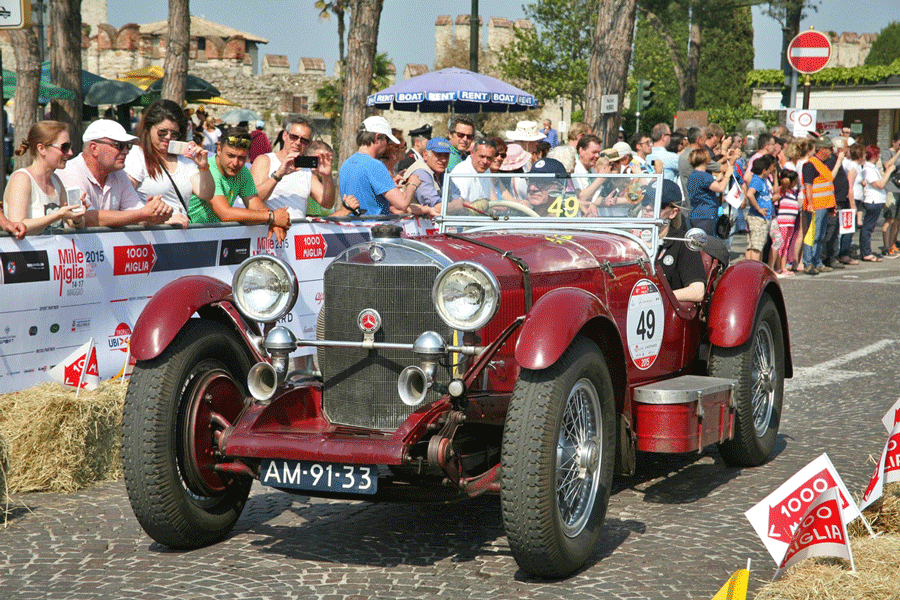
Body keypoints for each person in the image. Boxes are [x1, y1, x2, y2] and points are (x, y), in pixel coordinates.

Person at [59, 119, 173, 227]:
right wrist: (144, 214)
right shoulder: (70, 172)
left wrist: (157, 213)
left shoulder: (119, 174)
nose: (126, 151)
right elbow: (86, 217)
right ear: (94, 148)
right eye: (119, 145)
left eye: (128, 145)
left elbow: (137, 214)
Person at [186, 127, 291, 241]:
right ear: (219, 150)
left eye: (241, 158)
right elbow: (225, 213)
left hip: (214, 237)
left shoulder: (243, 172)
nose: (235, 163)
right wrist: (271, 216)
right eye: (230, 155)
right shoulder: (209, 169)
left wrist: (275, 220)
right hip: (190, 236)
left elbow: (255, 205)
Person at [124, 99, 214, 228]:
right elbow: (122, 204)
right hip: (148, 237)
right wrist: (161, 220)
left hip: (179, 235)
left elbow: (206, 194)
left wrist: (203, 166)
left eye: (174, 134)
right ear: (149, 128)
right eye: (162, 132)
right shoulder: (137, 156)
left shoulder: (184, 160)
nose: (168, 137)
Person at [339, 116, 435, 217]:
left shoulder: (346, 164)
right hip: (374, 229)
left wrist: (389, 184)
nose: (387, 145)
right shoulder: (375, 165)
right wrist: (412, 184)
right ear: (377, 137)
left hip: (351, 228)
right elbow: (402, 204)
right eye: (387, 140)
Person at [3, 120, 84, 235]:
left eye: (70, 146)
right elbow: (17, 226)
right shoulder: (21, 179)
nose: (70, 152)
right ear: (41, 149)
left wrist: (77, 217)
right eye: (64, 147)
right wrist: (58, 215)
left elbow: (76, 224)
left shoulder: (56, 180)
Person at [251, 116, 335, 220]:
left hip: (296, 233)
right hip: (267, 231)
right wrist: (278, 175)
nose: (298, 142)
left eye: (304, 140)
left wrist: (327, 176)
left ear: (309, 144)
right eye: (294, 137)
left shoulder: (306, 170)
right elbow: (252, 200)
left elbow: (327, 203)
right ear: (284, 135)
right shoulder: (265, 160)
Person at [640, 180, 706, 303]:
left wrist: (652, 298)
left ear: (673, 212)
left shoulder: (682, 242)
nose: (648, 207)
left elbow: (697, 291)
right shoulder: (631, 240)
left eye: (658, 204)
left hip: (666, 313)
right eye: (645, 200)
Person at [800, 136, 841, 274]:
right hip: (816, 206)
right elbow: (808, 186)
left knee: (820, 235)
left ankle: (817, 262)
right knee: (813, 235)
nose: (831, 152)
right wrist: (810, 203)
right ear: (822, 149)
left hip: (824, 206)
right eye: (829, 149)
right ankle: (808, 262)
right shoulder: (810, 164)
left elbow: (826, 186)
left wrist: (830, 207)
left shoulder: (822, 164)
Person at [858, 144, 899, 262]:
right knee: (868, 228)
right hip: (872, 201)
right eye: (878, 154)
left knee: (869, 228)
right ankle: (866, 252)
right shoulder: (868, 169)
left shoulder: (873, 167)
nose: (879, 157)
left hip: (878, 201)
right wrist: (889, 171)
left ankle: (866, 251)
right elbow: (880, 184)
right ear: (874, 155)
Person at [686, 148, 732, 237]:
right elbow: (721, 188)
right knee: (707, 244)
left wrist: (717, 180)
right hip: (706, 215)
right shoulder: (704, 176)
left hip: (696, 214)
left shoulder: (693, 175)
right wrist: (727, 175)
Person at [745, 155, 779, 264]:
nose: (771, 171)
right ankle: (753, 269)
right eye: (770, 169)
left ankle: (750, 267)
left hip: (761, 217)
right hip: (758, 218)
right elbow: (750, 194)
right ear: (764, 170)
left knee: (754, 245)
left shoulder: (762, 180)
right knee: (756, 246)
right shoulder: (757, 180)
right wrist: (758, 208)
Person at [402, 137, 451, 212]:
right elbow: (436, 207)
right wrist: (456, 205)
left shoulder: (443, 172)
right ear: (425, 155)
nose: (443, 160)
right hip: (408, 222)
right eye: (438, 155)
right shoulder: (421, 172)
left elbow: (456, 196)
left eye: (446, 156)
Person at [448, 138, 498, 205]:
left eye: (489, 158)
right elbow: (459, 204)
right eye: (481, 156)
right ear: (472, 153)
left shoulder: (486, 170)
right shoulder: (462, 172)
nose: (485, 161)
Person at [774, 169, 800, 277]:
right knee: (781, 244)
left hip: (790, 222)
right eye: (794, 181)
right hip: (782, 222)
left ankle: (783, 267)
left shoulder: (792, 192)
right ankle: (779, 267)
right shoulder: (782, 190)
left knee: (786, 245)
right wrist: (784, 182)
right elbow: (782, 188)